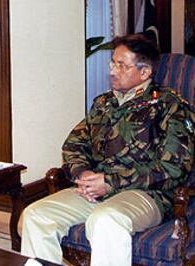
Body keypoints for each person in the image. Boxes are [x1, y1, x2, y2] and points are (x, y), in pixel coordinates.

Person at [21, 33, 195, 265]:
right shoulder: (103, 103)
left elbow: (173, 168)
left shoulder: (170, 105)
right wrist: (83, 175)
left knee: (105, 220)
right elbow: (74, 144)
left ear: (145, 72)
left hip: (147, 195)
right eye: (112, 63)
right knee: (36, 216)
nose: (113, 70)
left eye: (122, 65)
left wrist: (111, 182)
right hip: (96, 189)